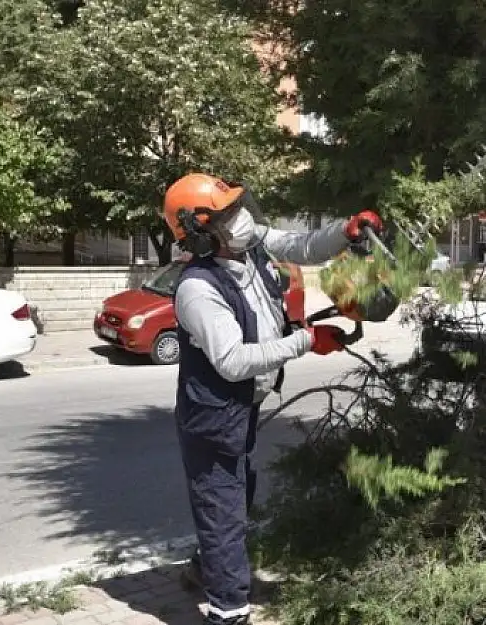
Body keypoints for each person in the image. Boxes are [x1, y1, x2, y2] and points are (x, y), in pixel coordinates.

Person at [162, 172, 384, 625]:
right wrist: (305, 341)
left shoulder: (249, 246)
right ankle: (228, 610)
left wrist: (345, 231)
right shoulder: (198, 289)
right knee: (224, 509)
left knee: (237, 496)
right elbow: (235, 361)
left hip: (243, 406)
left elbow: (303, 245)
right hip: (213, 415)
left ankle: (206, 569)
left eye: (238, 208)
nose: (241, 219)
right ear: (201, 233)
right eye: (226, 215)